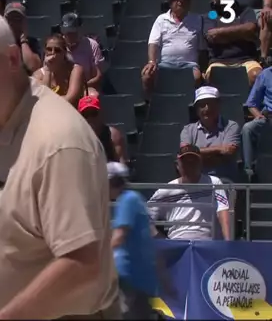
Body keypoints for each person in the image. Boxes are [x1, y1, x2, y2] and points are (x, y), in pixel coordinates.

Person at [0, 8, 119, 320]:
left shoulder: (58, 140)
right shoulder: (1, 128)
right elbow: (11, 242)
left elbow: (83, 263)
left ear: (11, 59)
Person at [148, 145, 232, 241]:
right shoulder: (167, 190)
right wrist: (162, 241)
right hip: (177, 244)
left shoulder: (214, 183)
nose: (189, 165)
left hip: (209, 244)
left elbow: (223, 211)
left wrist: (228, 242)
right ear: (177, 165)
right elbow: (145, 218)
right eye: (185, 162)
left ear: (200, 163)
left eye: (193, 161)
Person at [107, 162, 157, 320]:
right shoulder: (136, 199)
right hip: (141, 275)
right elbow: (152, 234)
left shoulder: (127, 201)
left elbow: (119, 236)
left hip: (129, 275)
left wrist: (98, 260)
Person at [142, 0, 204, 100]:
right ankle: (151, 105)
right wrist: (151, 61)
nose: (180, 0)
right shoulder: (161, 19)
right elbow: (153, 43)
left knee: (196, 77)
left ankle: (191, 105)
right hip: (165, 64)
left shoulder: (197, 19)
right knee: (147, 76)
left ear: (189, 1)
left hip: (189, 65)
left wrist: (202, 68)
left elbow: (202, 48)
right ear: (170, 1)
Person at [204, 0, 262, 87]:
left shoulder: (244, 11)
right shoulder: (211, 15)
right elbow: (211, 36)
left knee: (257, 76)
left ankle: (252, 104)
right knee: (211, 77)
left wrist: (221, 32)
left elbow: (250, 29)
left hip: (245, 60)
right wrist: (241, 33)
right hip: (218, 61)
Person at [180, 86, 240, 182]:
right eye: (202, 105)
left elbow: (229, 151)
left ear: (218, 105)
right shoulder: (188, 129)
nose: (207, 109)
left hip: (224, 181)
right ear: (196, 109)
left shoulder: (231, 126)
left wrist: (197, 156)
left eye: (211, 104)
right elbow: (186, 152)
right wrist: (218, 149)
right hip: (195, 181)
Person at [32, 34, 89, 107]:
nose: (53, 53)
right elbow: (42, 98)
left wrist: (49, 103)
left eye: (57, 50)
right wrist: (48, 70)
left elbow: (70, 98)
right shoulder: (38, 75)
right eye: (49, 49)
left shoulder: (75, 70)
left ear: (64, 53)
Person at [60, 12, 105, 91]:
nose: (70, 35)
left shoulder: (92, 45)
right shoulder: (57, 44)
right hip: (62, 87)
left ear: (80, 30)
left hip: (86, 87)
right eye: (67, 32)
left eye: (73, 32)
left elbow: (98, 76)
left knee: (94, 95)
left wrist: (79, 88)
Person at [78, 96, 127, 163]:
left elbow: (121, 165)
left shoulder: (113, 135)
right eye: (86, 115)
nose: (90, 118)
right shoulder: (76, 138)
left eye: (94, 113)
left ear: (101, 114)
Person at [242, 66, 272, 171]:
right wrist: (258, 115)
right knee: (248, 128)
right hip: (269, 118)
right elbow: (251, 103)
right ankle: (248, 169)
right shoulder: (266, 74)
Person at [4, 2, 42, 74]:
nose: (13, 23)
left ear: (24, 22)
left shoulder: (32, 43)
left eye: (18, 19)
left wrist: (23, 41)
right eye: (10, 19)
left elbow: (33, 66)